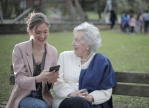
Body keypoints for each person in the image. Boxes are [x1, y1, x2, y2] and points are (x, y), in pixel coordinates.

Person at [52, 22, 117, 108]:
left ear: (88, 45)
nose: (73, 43)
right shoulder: (64, 56)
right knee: (77, 102)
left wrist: (90, 97)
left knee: (80, 103)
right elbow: (57, 82)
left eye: (77, 40)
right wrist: (72, 94)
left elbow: (106, 91)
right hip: (64, 101)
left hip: (90, 104)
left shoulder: (101, 61)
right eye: (74, 39)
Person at [6, 12, 59, 108]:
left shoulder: (53, 51)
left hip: (44, 97)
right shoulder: (19, 49)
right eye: (38, 32)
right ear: (30, 31)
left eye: (45, 32)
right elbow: (19, 79)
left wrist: (51, 81)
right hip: (23, 96)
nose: (42, 36)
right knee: (42, 107)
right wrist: (38, 78)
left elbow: (52, 84)